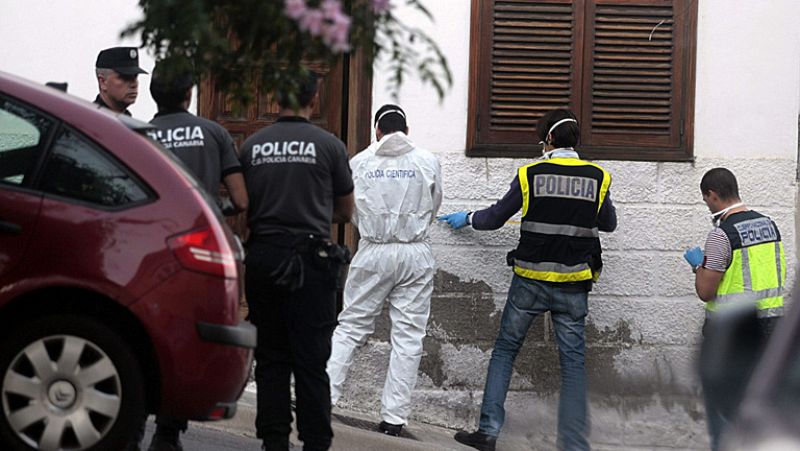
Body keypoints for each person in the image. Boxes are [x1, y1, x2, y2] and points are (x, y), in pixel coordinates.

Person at [439, 109, 616, 451]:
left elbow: (493, 219)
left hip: (529, 282)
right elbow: (608, 225)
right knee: (574, 364)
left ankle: (488, 433)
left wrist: (468, 218)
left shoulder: (530, 174)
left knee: (505, 351)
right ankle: (574, 443)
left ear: (549, 139)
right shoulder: (598, 177)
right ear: (575, 140)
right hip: (574, 284)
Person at [126, 61, 248, 451]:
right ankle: (168, 429)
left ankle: (132, 424)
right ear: (189, 94)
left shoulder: (136, 134)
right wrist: (217, 211)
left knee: (142, 331)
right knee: (186, 336)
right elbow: (242, 198)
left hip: (148, 250)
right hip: (197, 250)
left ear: (152, 93)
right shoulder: (213, 132)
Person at [239, 70, 354, 451]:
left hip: (264, 258)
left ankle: (274, 442)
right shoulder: (330, 146)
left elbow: (242, 205)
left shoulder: (252, 146)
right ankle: (316, 442)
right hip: (311, 262)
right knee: (311, 358)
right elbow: (344, 210)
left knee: (271, 358)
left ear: (275, 98)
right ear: (314, 99)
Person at [326, 104, 442, 437]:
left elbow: (347, 209)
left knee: (350, 326)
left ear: (377, 130)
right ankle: (393, 418)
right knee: (408, 337)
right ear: (406, 129)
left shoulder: (359, 162)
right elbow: (434, 206)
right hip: (415, 252)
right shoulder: (427, 161)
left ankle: (324, 398)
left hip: (373, 250)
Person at [683, 167, 785, 450]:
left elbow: (706, 291)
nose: (707, 206)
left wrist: (698, 266)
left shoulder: (721, 236)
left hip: (732, 337)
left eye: (706, 201)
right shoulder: (770, 226)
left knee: (726, 415)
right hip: (772, 331)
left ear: (712, 196)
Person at [147, 60, 248, 216]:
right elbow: (241, 201)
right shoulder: (216, 133)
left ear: (152, 93)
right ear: (189, 93)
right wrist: (213, 207)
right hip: (203, 228)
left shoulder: (140, 136)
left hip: (160, 231)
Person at [94, 46, 147, 115]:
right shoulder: (88, 122)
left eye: (135, 76)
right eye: (125, 78)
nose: (134, 84)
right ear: (103, 82)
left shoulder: (131, 122)